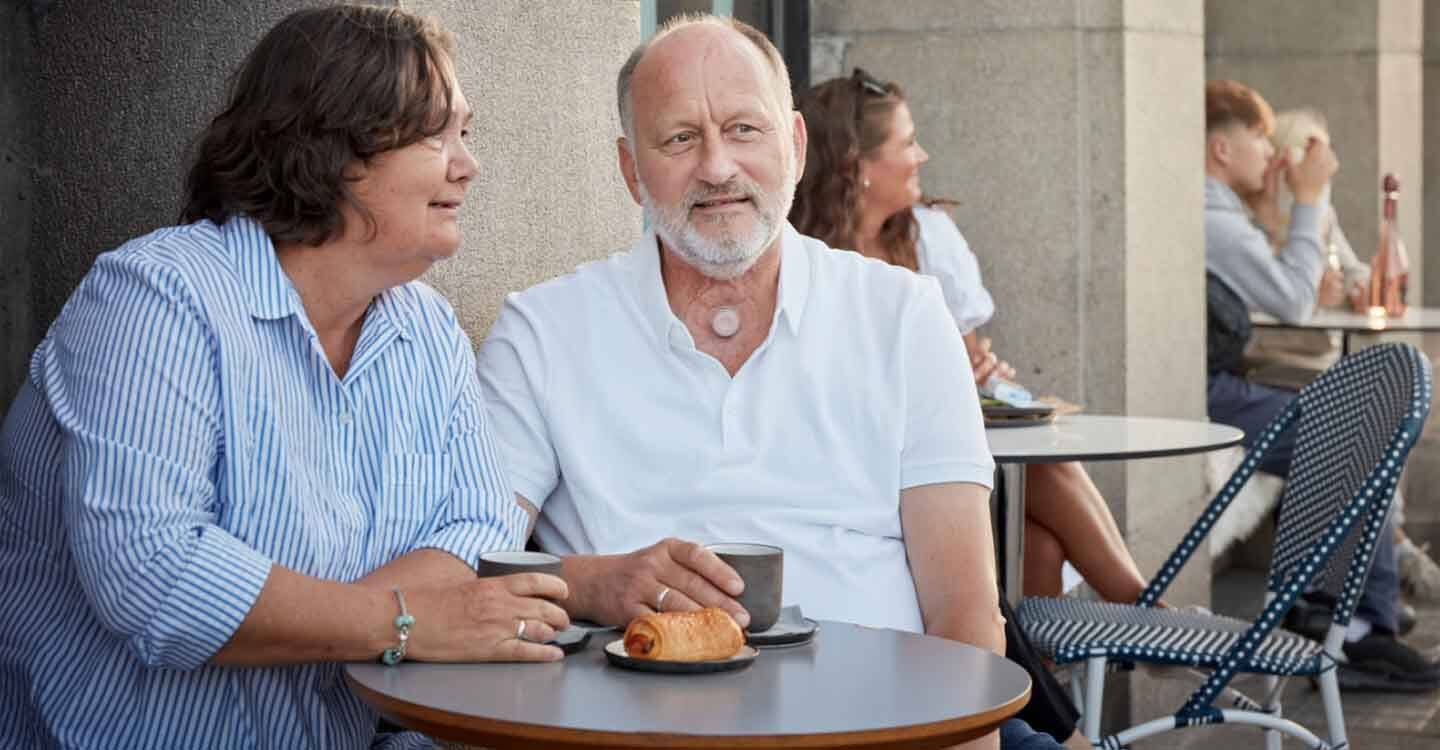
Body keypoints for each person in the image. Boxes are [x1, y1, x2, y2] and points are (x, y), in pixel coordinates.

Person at [478, 14, 1060, 750]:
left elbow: (965, 613)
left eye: (744, 130)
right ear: (631, 170)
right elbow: (479, 572)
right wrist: (596, 584)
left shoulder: (903, 315)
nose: (717, 167)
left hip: (896, 730)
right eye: (680, 138)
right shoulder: (543, 331)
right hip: (635, 733)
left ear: (795, 144)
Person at [0, 7, 570, 748]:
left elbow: (480, 521)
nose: (468, 164)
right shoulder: (157, 299)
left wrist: (319, 623)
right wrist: (403, 622)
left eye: (466, 133)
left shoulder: (426, 327)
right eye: (437, 135)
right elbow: (154, 574)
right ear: (334, 150)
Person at [790, 69, 1151, 607]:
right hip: (861, 463)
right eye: (908, 143)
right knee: (1038, 528)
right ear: (858, 167)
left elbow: (968, 356)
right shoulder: (803, 259)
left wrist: (981, 373)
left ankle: (1126, 624)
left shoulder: (927, 235)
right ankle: (1148, 617)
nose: (923, 156)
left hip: (954, 458)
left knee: (1040, 542)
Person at [1203, 79, 1436, 691]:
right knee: (1356, 432)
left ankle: (1340, 611)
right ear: (1223, 149)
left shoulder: (1222, 212)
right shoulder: (1214, 219)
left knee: (1360, 428)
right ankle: (1355, 626)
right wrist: (1308, 198)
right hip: (1211, 387)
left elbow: (1341, 279)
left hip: (1232, 382)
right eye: (1259, 137)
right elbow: (1290, 299)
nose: (1270, 155)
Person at [1247, 108, 1440, 611]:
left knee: (1378, 419)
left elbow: (1356, 273)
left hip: (1321, 363)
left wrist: (1351, 290)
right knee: (1355, 434)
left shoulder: (1319, 214)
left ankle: (1364, 598)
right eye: (1311, 152)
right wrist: (1313, 294)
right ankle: (1374, 594)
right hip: (1271, 364)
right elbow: (1274, 298)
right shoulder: (1250, 215)